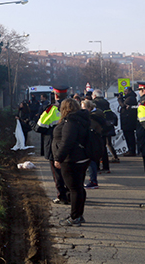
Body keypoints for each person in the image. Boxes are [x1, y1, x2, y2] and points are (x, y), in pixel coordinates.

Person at [52, 97, 91, 226]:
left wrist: (58, 158)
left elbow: (67, 142)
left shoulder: (70, 122)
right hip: (82, 157)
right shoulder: (81, 119)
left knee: (74, 188)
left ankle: (75, 217)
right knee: (79, 188)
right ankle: (79, 215)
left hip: (72, 159)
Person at [34, 85, 69, 205]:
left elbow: (39, 127)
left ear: (55, 95)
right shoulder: (74, 108)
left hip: (54, 145)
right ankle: (71, 194)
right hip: (70, 144)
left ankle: (62, 195)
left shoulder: (51, 109)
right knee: (69, 171)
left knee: (57, 173)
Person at [81, 99, 108, 188]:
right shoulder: (98, 114)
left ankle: (93, 181)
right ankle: (93, 180)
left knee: (91, 161)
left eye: (83, 108)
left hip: (92, 140)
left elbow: (90, 129)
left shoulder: (92, 117)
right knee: (92, 160)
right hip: (97, 139)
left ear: (89, 108)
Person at [93, 88, 119, 165]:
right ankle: (115, 156)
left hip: (101, 125)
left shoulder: (95, 102)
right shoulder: (106, 102)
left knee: (101, 144)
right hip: (109, 124)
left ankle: (101, 159)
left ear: (94, 95)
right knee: (108, 143)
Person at [118, 86, 139, 156]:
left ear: (130, 91)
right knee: (127, 136)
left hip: (129, 121)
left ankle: (132, 151)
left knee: (130, 136)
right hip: (126, 120)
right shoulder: (128, 97)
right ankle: (130, 150)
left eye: (126, 91)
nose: (124, 93)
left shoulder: (130, 98)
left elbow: (123, 105)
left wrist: (120, 99)